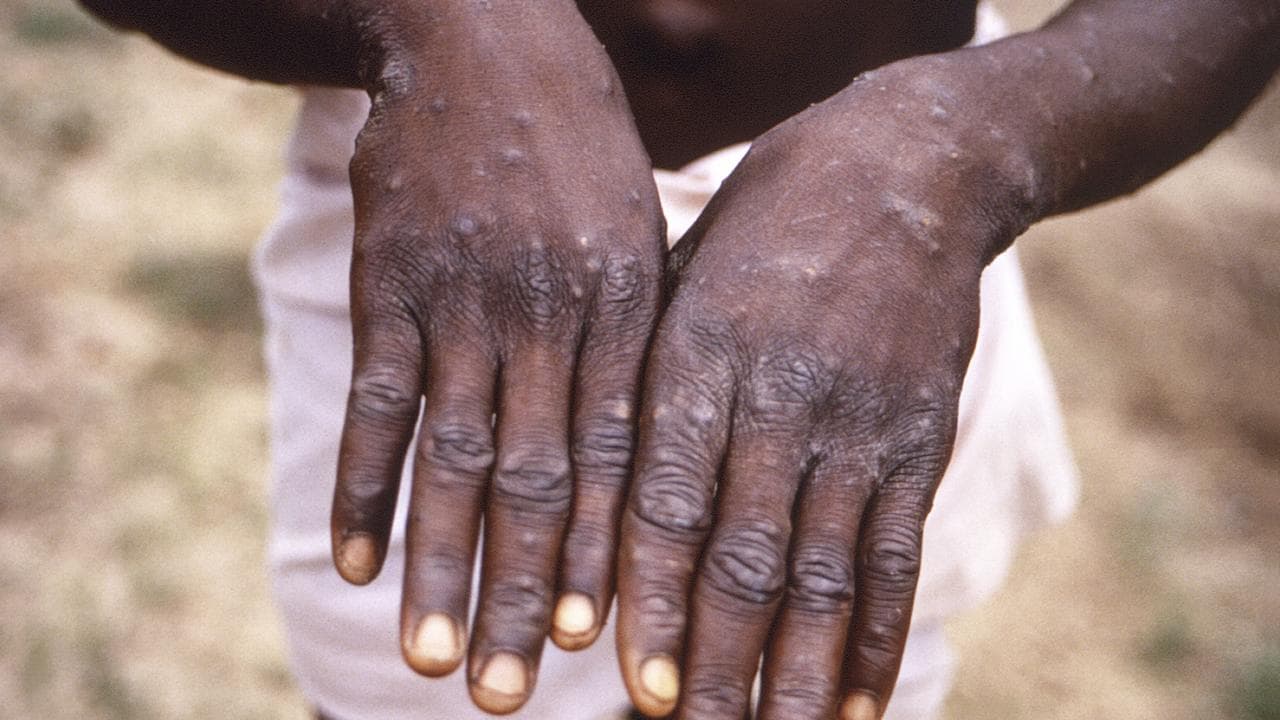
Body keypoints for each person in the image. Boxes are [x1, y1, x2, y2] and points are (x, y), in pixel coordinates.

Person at [77, 1, 1279, 718]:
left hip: (883, 252)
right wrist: (436, 18)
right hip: (457, 195)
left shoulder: (930, 180)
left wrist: (961, 148)